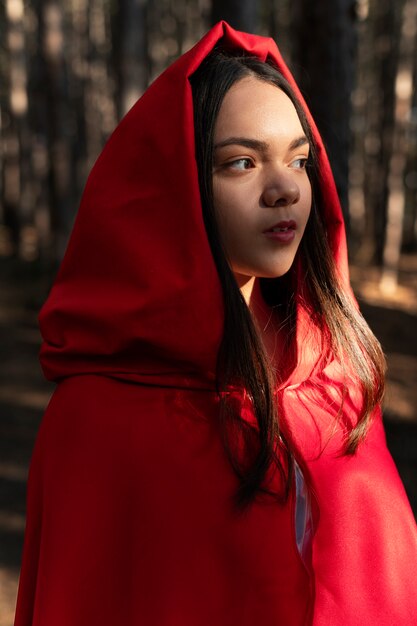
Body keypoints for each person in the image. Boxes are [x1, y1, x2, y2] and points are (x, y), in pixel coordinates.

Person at [14, 21, 417, 626]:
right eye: (242, 163)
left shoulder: (340, 377)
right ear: (178, 187)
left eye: (298, 159)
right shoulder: (98, 419)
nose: (283, 188)